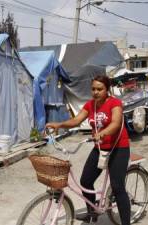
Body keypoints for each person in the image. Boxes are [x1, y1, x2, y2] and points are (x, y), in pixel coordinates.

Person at [45, 75, 131, 224]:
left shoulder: (115, 103)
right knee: (85, 181)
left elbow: (116, 123)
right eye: (93, 89)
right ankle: (92, 212)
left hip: (118, 148)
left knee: (117, 187)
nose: (96, 92)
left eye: (100, 89)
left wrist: (102, 133)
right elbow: (76, 120)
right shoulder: (90, 105)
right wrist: (59, 125)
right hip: (100, 148)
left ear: (107, 89)